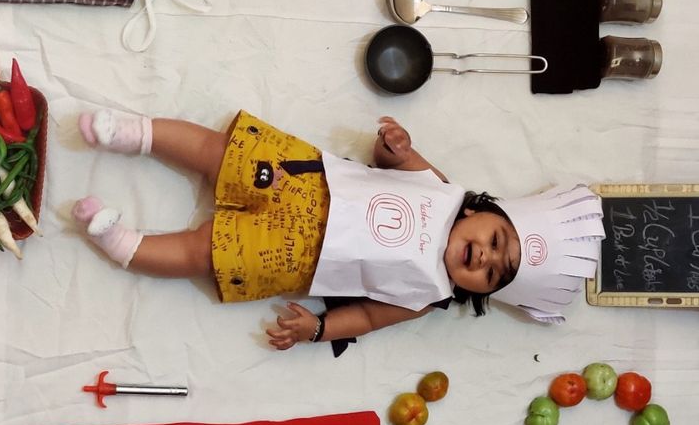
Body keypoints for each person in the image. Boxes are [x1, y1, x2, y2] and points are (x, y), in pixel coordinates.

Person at [71, 108, 604, 351]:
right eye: (496, 240)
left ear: (478, 293)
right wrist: (395, 145)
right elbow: (394, 161)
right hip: (302, 182)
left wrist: (319, 330)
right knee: (218, 152)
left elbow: (368, 316)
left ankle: (121, 243)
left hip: (291, 258)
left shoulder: (426, 296)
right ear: (479, 212)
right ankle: (135, 133)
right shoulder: (442, 188)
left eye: (493, 274)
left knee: (198, 254)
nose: (485, 257)